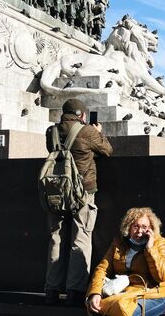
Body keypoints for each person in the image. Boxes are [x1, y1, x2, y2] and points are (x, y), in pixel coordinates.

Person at [44, 99, 113, 305]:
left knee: (56, 238)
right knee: (81, 237)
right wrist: (98, 131)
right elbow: (107, 150)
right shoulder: (87, 132)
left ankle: (51, 290)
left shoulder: (51, 132)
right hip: (82, 192)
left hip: (56, 191)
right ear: (82, 115)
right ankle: (74, 290)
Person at [86, 207, 165, 316]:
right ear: (129, 227)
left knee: (124, 311)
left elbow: (163, 276)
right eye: (136, 226)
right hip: (123, 293)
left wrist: (150, 249)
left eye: (144, 227)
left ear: (151, 229)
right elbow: (102, 269)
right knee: (95, 306)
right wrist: (96, 293)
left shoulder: (160, 243)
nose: (140, 231)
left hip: (152, 296)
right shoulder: (119, 244)